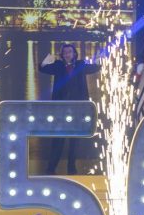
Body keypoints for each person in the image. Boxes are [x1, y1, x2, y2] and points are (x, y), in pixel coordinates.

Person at [39, 44, 100, 174]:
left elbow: (95, 67)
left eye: (70, 52)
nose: (67, 54)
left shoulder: (80, 65)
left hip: (77, 108)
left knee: (74, 139)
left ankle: (71, 168)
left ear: (74, 54)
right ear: (62, 55)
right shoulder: (58, 65)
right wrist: (47, 60)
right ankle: (51, 168)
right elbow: (42, 69)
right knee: (58, 139)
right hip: (60, 108)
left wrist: (98, 58)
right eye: (65, 52)